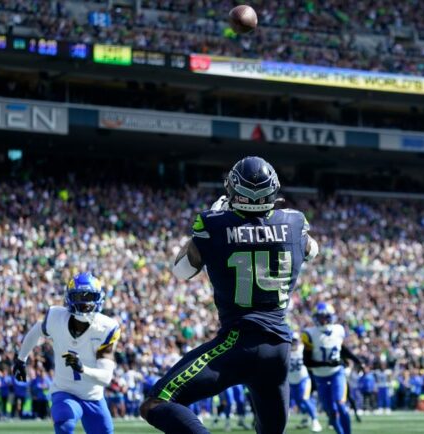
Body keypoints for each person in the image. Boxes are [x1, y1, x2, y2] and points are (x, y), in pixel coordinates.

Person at [140, 156, 319, 434]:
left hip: (238, 343)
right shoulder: (296, 222)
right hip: (278, 348)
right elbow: (311, 250)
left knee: (157, 402)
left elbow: (181, 271)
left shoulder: (213, 223)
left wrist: (212, 225)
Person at [14, 272, 120, 433]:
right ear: (69, 298)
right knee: (65, 422)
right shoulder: (57, 317)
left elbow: (105, 377)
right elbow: (36, 330)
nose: (85, 303)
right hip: (65, 391)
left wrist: (82, 369)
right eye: (79, 297)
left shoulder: (106, 328)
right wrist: (21, 359)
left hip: (93, 396)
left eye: (89, 296)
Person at [302, 302, 363, 434]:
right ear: (315, 318)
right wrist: (327, 363)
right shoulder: (309, 334)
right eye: (320, 317)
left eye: (326, 317)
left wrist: (355, 359)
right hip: (320, 376)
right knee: (331, 412)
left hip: (336, 373)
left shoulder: (338, 330)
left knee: (341, 405)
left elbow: (340, 348)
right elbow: (307, 362)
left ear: (331, 317)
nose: (323, 320)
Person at [288, 332, 322, 432]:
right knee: (299, 403)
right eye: (292, 341)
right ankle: (306, 417)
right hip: (292, 382)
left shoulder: (302, 349)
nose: (294, 343)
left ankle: (315, 421)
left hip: (303, 380)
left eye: (295, 340)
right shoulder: (285, 351)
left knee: (305, 399)